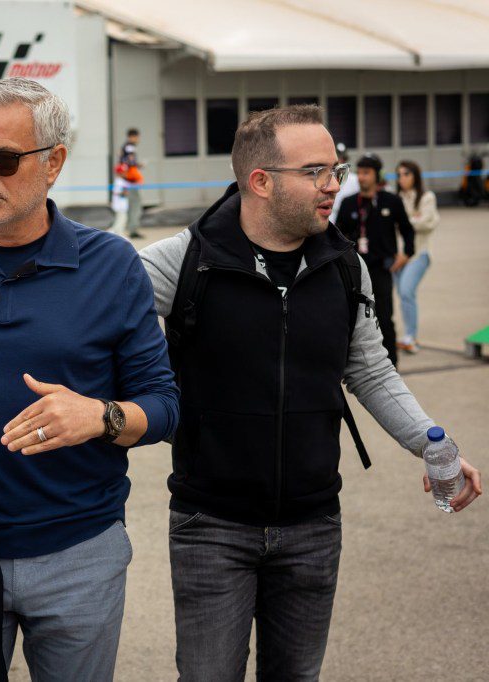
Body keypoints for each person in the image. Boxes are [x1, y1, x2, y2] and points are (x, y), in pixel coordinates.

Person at [138, 106, 480, 681]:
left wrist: (430, 443)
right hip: (210, 526)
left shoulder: (345, 267)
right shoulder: (185, 260)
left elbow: (370, 369)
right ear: (261, 181)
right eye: (317, 171)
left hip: (313, 525)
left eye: (337, 169)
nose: (333, 186)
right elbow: (86, 286)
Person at [0, 78, 179, 680]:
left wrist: (100, 416)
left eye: (4, 159)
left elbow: (165, 405)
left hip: (80, 554)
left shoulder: (112, 264)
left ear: (54, 163)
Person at [335, 152, 415, 365]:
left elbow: (408, 230)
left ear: (377, 175)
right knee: (348, 319)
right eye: (359, 172)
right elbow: (336, 235)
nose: (361, 177)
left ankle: (391, 366)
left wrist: (406, 254)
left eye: (366, 173)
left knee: (384, 319)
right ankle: (349, 365)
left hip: (381, 270)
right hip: (353, 271)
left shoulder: (391, 201)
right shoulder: (349, 203)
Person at [394, 160, 439, 354]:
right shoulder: (395, 198)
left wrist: (404, 221)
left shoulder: (427, 197)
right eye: (399, 175)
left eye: (406, 174)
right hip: (397, 256)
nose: (402, 178)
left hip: (420, 254)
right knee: (404, 297)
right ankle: (408, 336)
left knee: (406, 291)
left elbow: (429, 223)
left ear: (415, 176)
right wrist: (415, 218)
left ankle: (411, 337)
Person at [119, 128, 144, 238]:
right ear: (132, 136)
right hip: (131, 182)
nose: (138, 139)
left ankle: (129, 228)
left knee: (129, 205)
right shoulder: (129, 147)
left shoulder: (125, 147)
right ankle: (133, 230)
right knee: (135, 205)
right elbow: (131, 162)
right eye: (137, 137)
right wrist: (139, 165)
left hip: (126, 181)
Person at [329, 142, 359, 224]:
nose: (340, 161)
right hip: (329, 216)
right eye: (338, 158)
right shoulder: (327, 177)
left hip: (348, 218)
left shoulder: (355, 179)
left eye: (343, 158)